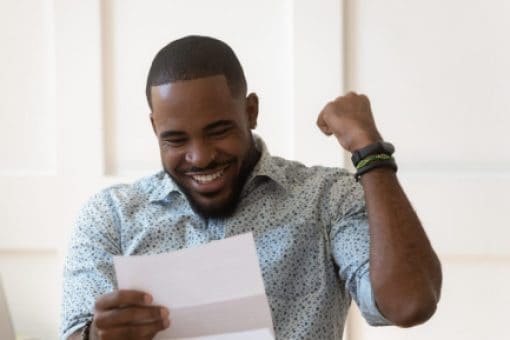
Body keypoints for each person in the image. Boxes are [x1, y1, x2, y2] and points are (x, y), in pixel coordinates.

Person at [61, 35, 442, 340]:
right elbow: (76, 332)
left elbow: (409, 303)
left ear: (251, 112)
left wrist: (370, 151)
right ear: (154, 129)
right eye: (176, 140)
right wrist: (97, 337)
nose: (200, 157)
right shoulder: (111, 217)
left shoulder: (327, 199)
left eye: (219, 130)